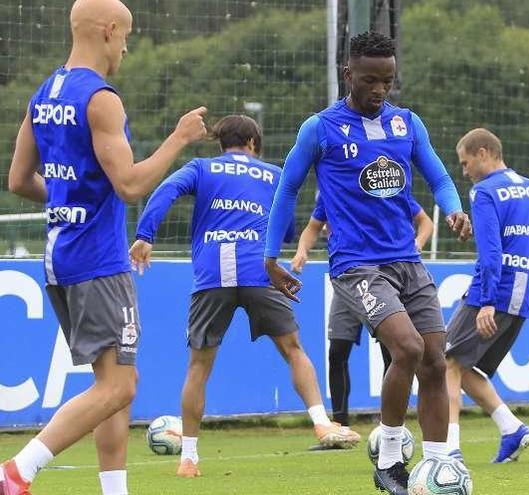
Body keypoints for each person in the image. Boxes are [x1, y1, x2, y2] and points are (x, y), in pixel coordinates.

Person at [0, 0, 208, 493]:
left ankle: (115, 490)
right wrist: (178, 138)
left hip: (60, 256)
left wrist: (73, 198)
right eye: (126, 37)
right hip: (98, 259)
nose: (127, 48)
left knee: (112, 386)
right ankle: (18, 470)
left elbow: (17, 179)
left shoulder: (44, 93)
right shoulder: (102, 98)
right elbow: (131, 185)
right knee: (119, 386)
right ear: (110, 31)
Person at [263, 31, 472, 495]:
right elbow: (287, 190)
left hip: (406, 260)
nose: (380, 90)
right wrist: (271, 255)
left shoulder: (407, 124)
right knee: (409, 349)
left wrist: (454, 207)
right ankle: (392, 450)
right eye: (371, 80)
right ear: (348, 74)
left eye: (388, 81)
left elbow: (438, 176)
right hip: (356, 265)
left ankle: (436, 468)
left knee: (436, 360)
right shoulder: (320, 128)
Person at [129, 115, 361, 478]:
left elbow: (165, 191)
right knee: (293, 349)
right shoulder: (272, 174)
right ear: (253, 142)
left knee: (199, 366)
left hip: (212, 275)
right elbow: (285, 226)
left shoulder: (201, 167)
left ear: (222, 143)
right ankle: (321, 421)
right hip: (260, 270)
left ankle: (188, 457)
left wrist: (145, 234)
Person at [444, 128, 529, 464]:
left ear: (483, 152)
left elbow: (491, 253)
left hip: (492, 294)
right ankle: (511, 428)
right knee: (468, 368)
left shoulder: (484, 192)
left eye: (465, 163)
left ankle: (448, 452)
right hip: (522, 296)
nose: (465, 171)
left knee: (447, 364)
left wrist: (486, 300)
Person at [291, 193, 434, 427]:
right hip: (349, 276)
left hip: (383, 275)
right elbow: (313, 226)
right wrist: (301, 250)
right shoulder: (330, 193)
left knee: (394, 351)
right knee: (337, 350)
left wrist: (418, 242)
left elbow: (425, 221)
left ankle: (389, 424)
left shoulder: (384, 187)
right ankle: (340, 425)